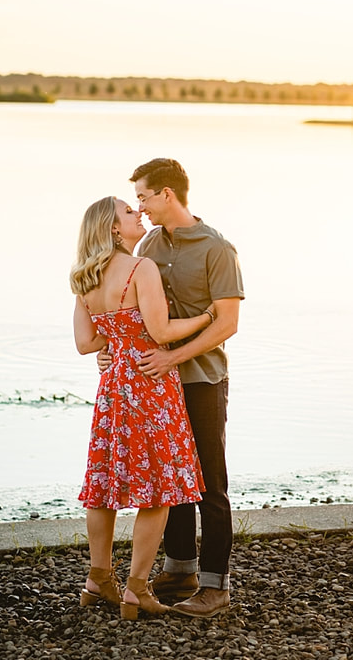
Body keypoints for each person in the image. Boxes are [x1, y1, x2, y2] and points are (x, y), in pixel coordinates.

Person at [100, 157, 244, 618]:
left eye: (143, 196)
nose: (139, 206)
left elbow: (227, 324)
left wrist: (172, 357)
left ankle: (215, 587)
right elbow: (135, 314)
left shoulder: (217, 248)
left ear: (167, 194)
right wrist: (112, 350)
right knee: (167, 478)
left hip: (201, 380)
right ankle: (179, 566)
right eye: (135, 200)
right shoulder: (146, 244)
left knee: (209, 482)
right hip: (152, 386)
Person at [72, 195, 211, 620]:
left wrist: (114, 343)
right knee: (159, 486)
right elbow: (161, 331)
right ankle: (135, 588)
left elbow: (85, 343)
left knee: (105, 483)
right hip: (150, 384)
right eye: (129, 213)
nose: (137, 214)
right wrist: (209, 318)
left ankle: (98, 579)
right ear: (114, 229)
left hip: (113, 388)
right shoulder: (140, 268)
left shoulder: (84, 276)